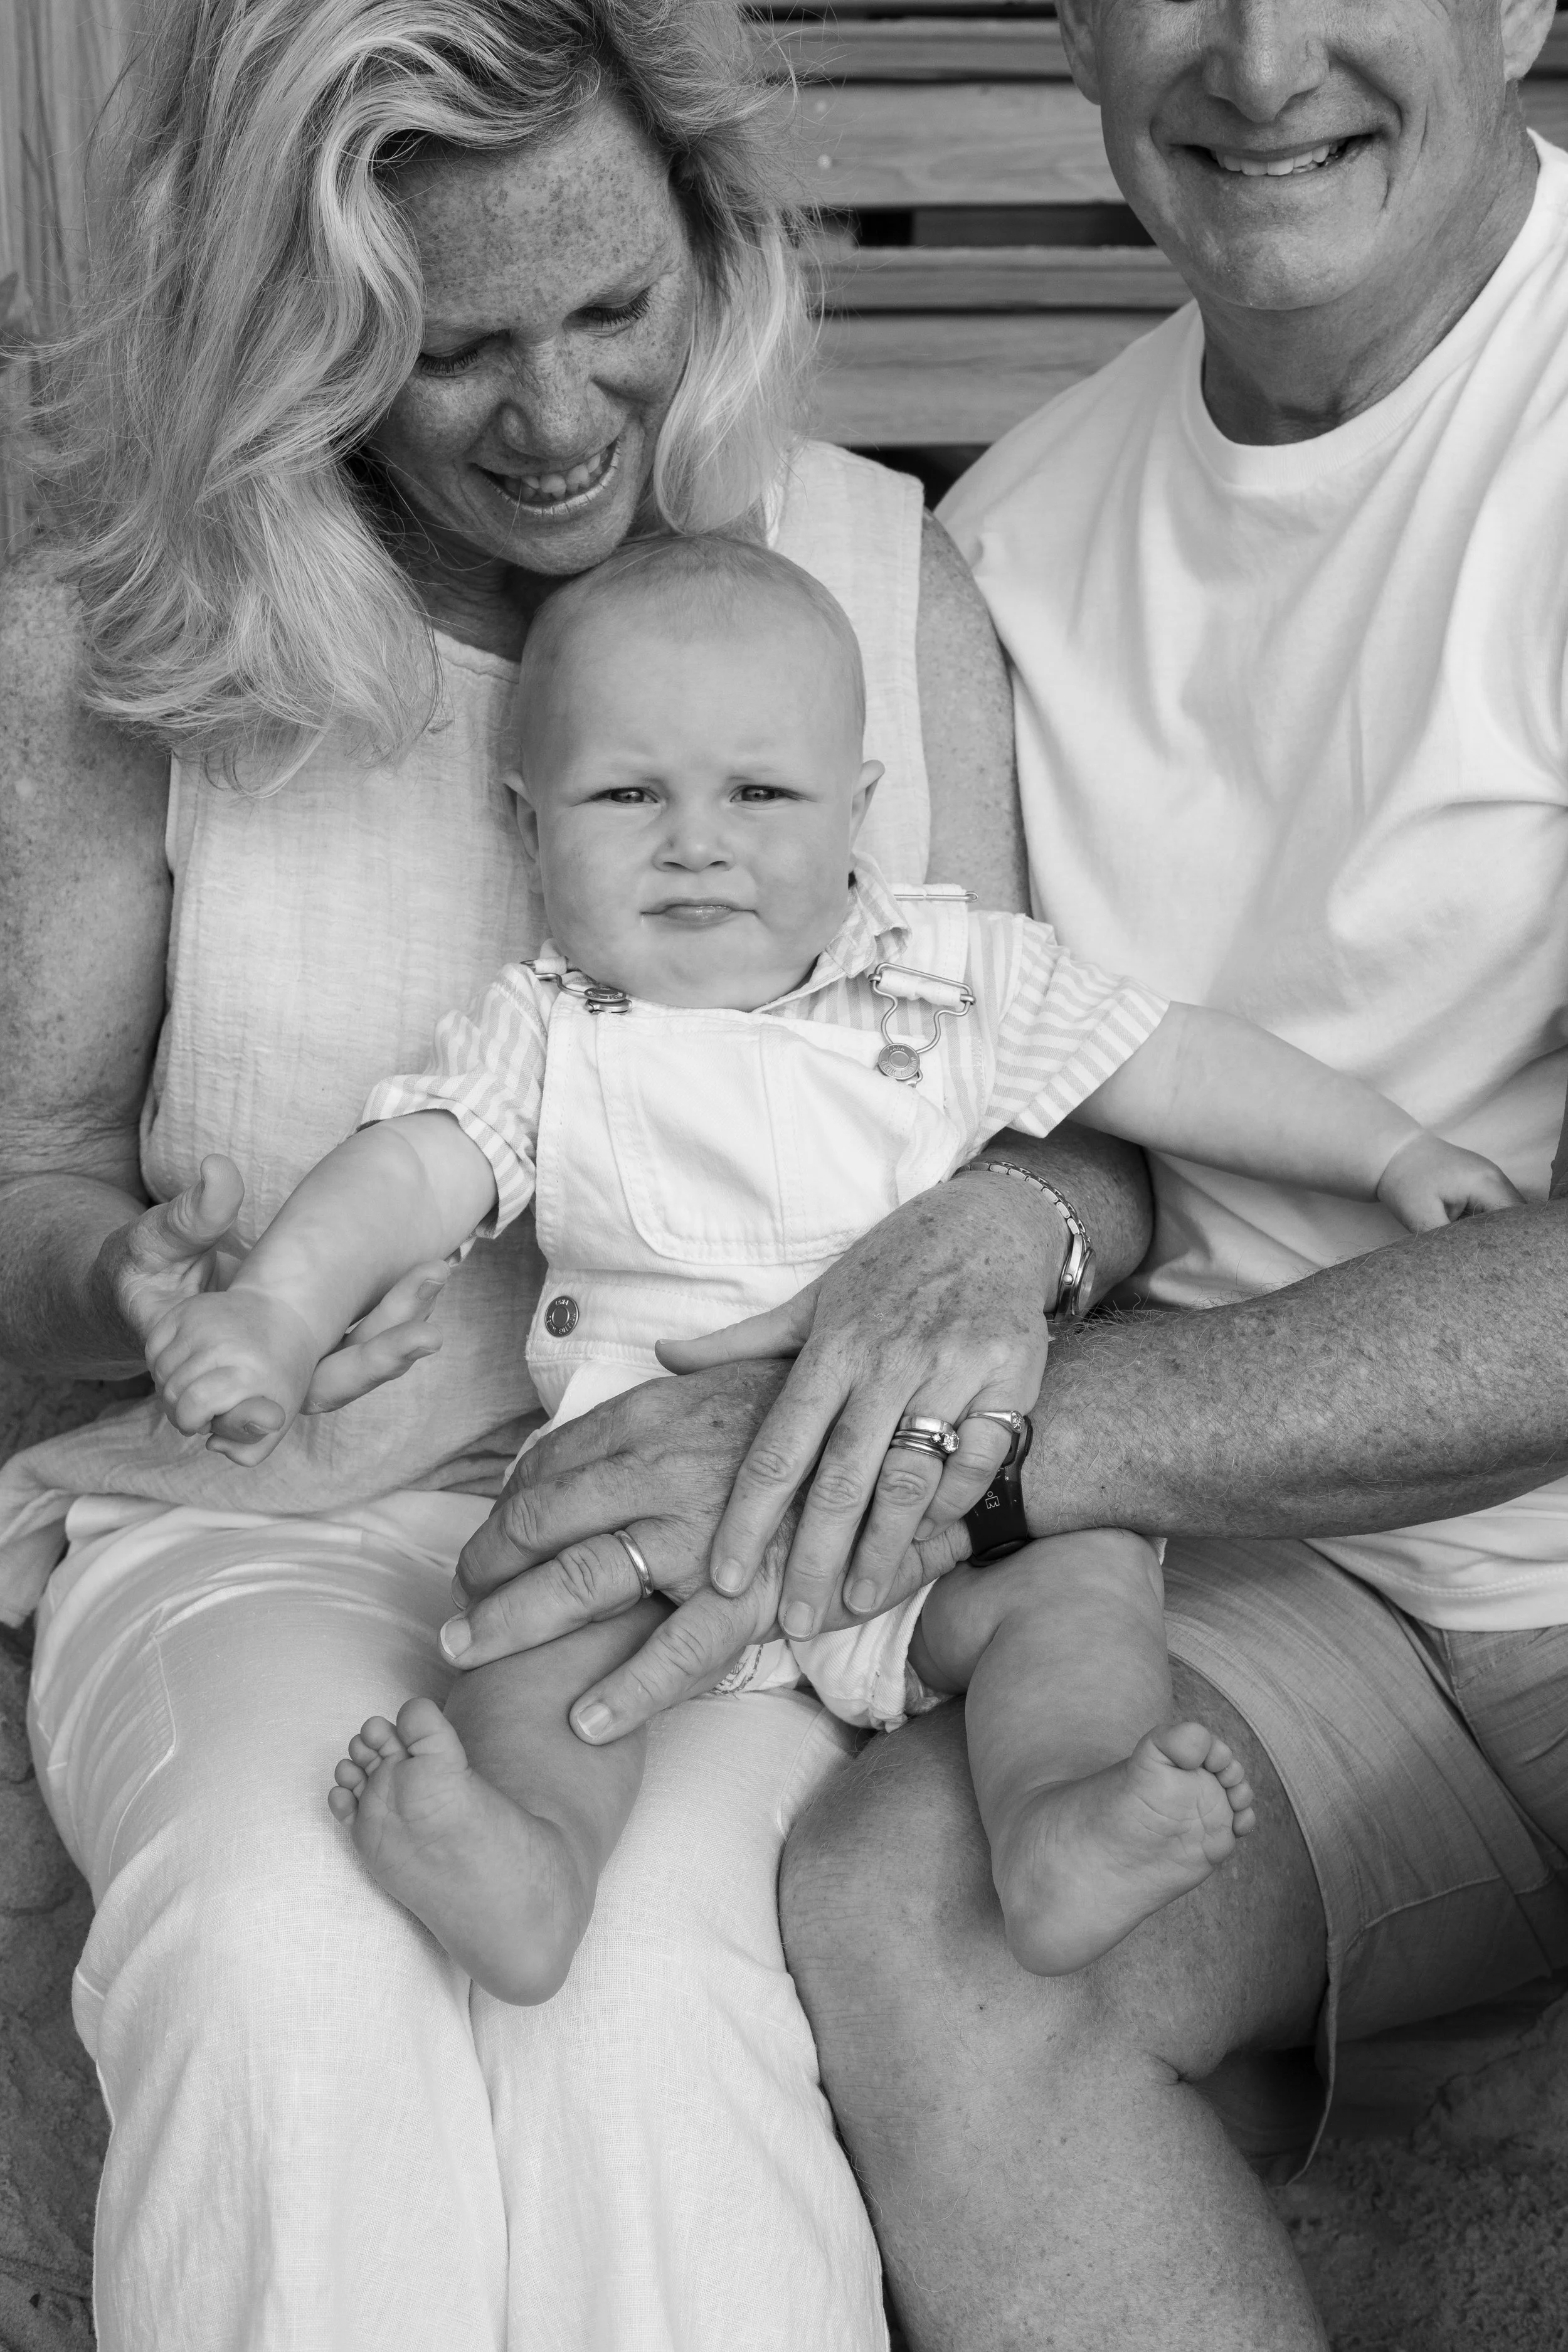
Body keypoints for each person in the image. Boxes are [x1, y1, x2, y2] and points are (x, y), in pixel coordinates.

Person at [422, 3, 1568, 2346]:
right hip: (1259, 1594)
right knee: (915, 1919)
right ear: (1071, 25)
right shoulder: (1017, 538)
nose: (1260, 57)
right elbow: (1010, 1056)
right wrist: (997, 1233)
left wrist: (977, 1437)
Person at [0, 2, 1106, 2344]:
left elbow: (1048, 1130)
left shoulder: (872, 579)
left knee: (644, 2004)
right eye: (449, 346)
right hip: (265, 1522)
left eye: (615, 307)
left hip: (740, 1538)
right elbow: (31, 1176)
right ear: (300, 330)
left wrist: (987, 1232)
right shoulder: (139, 621)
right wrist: (141, 1280)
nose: (557, 415)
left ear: (714, 237)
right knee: (286, 1949)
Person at [142, 526, 1522, 2006]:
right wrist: (279, 1308)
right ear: (527, 822)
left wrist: (1385, 1151)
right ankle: (526, 1863)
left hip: (937, 1522)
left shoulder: (950, 978)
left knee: (1084, 1586)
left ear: (856, 809)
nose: (695, 840)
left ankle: (1060, 1822)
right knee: (525, 1645)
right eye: (625, 794)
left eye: (758, 793)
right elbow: (408, 1171)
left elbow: (1170, 1062)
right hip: (650, 1508)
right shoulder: (547, 1029)